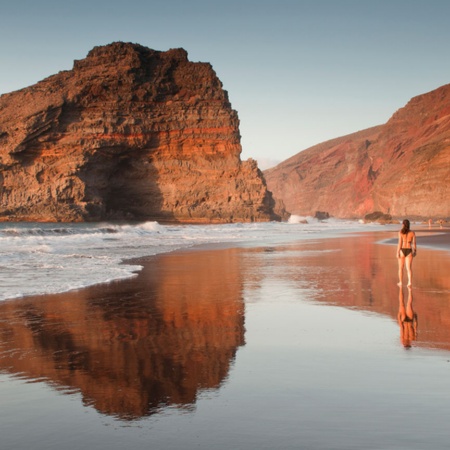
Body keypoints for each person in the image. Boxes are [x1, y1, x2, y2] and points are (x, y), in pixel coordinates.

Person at [396, 219, 417, 287]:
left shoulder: (400, 232)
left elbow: (399, 243)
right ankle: (409, 282)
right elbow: (414, 243)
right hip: (409, 250)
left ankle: (401, 282)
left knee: (400, 268)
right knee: (409, 268)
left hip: (402, 250)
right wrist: (415, 251)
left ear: (403, 225)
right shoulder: (412, 233)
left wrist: (397, 252)